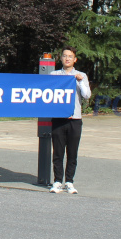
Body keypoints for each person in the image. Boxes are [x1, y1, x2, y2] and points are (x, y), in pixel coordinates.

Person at [49, 46, 91, 194]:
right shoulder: (54, 75)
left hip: (75, 119)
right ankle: (57, 181)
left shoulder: (81, 75)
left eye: (70, 56)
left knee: (72, 153)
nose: (67, 58)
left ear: (75, 59)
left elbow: (86, 95)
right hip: (59, 119)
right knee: (58, 153)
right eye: (65, 56)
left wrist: (79, 82)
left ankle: (69, 181)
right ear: (61, 58)